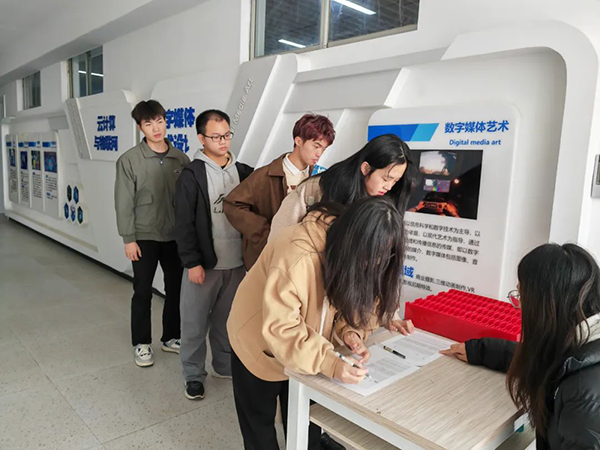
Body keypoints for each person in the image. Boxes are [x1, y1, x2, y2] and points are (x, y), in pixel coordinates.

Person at [227, 197, 414, 450]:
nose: (372, 264)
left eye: (381, 257)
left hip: (304, 343)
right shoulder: (298, 253)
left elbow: (347, 303)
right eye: (369, 257)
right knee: (259, 425)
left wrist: (350, 331)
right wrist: (330, 363)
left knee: (304, 419)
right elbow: (282, 327)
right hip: (258, 341)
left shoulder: (359, 253)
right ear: (352, 238)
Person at [442, 243, 600, 449]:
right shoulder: (581, 347)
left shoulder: (583, 398)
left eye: (521, 297)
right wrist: (481, 350)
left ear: (545, 307)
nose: (519, 308)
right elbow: (547, 360)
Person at [174, 109, 253, 401]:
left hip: (236, 264)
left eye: (226, 135)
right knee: (194, 324)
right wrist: (192, 262)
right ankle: (193, 376)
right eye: (216, 136)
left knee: (226, 321)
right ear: (201, 138)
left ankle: (223, 365)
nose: (223, 141)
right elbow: (183, 223)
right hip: (204, 266)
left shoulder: (243, 172)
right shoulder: (191, 175)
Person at [114, 99, 190, 367]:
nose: (156, 128)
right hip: (143, 236)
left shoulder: (180, 158)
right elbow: (124, 202)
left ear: (166, 122)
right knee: (142, 290)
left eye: (159, 121)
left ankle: (171, 337)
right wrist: (128, 239)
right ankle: (142, 343)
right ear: (140, 127)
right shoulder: (129, 160)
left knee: (176, 289)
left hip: (174, 236)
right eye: (149, 123)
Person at [224, 113, 335, 270]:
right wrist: (264, 231)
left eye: (324, 148)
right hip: (266, 258)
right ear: (298, 141)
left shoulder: (318, 179)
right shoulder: (264, 175)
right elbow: (232, 204)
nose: (320, 153)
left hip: (301, 259)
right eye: (316, 146)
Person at [269, 134, 417, 245]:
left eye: (395, 181)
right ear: (365, 168)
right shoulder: (318, 188)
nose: (389, 187)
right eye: (385, 178)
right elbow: (278, 237)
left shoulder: (387, 203)